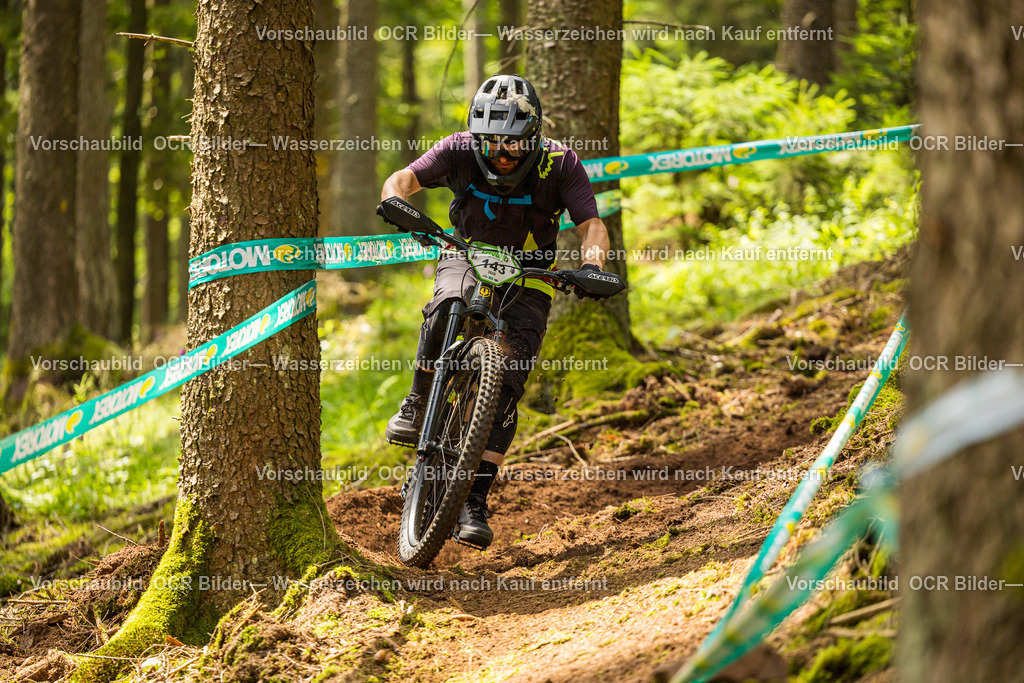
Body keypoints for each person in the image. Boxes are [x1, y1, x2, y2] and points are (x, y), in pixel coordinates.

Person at [380, 74, 611, 549]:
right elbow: (403, 179)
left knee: (508, 381)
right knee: (446, 306)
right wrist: (396, 201)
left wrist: (592, 265)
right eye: (492, 142)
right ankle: (418, 400)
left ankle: (474, 500)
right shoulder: (459, 148)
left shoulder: (559, 163)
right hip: (465, 252)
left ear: (534, 135)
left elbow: (592, 224)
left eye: (513, 143)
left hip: (530, 274)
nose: (501, 153)